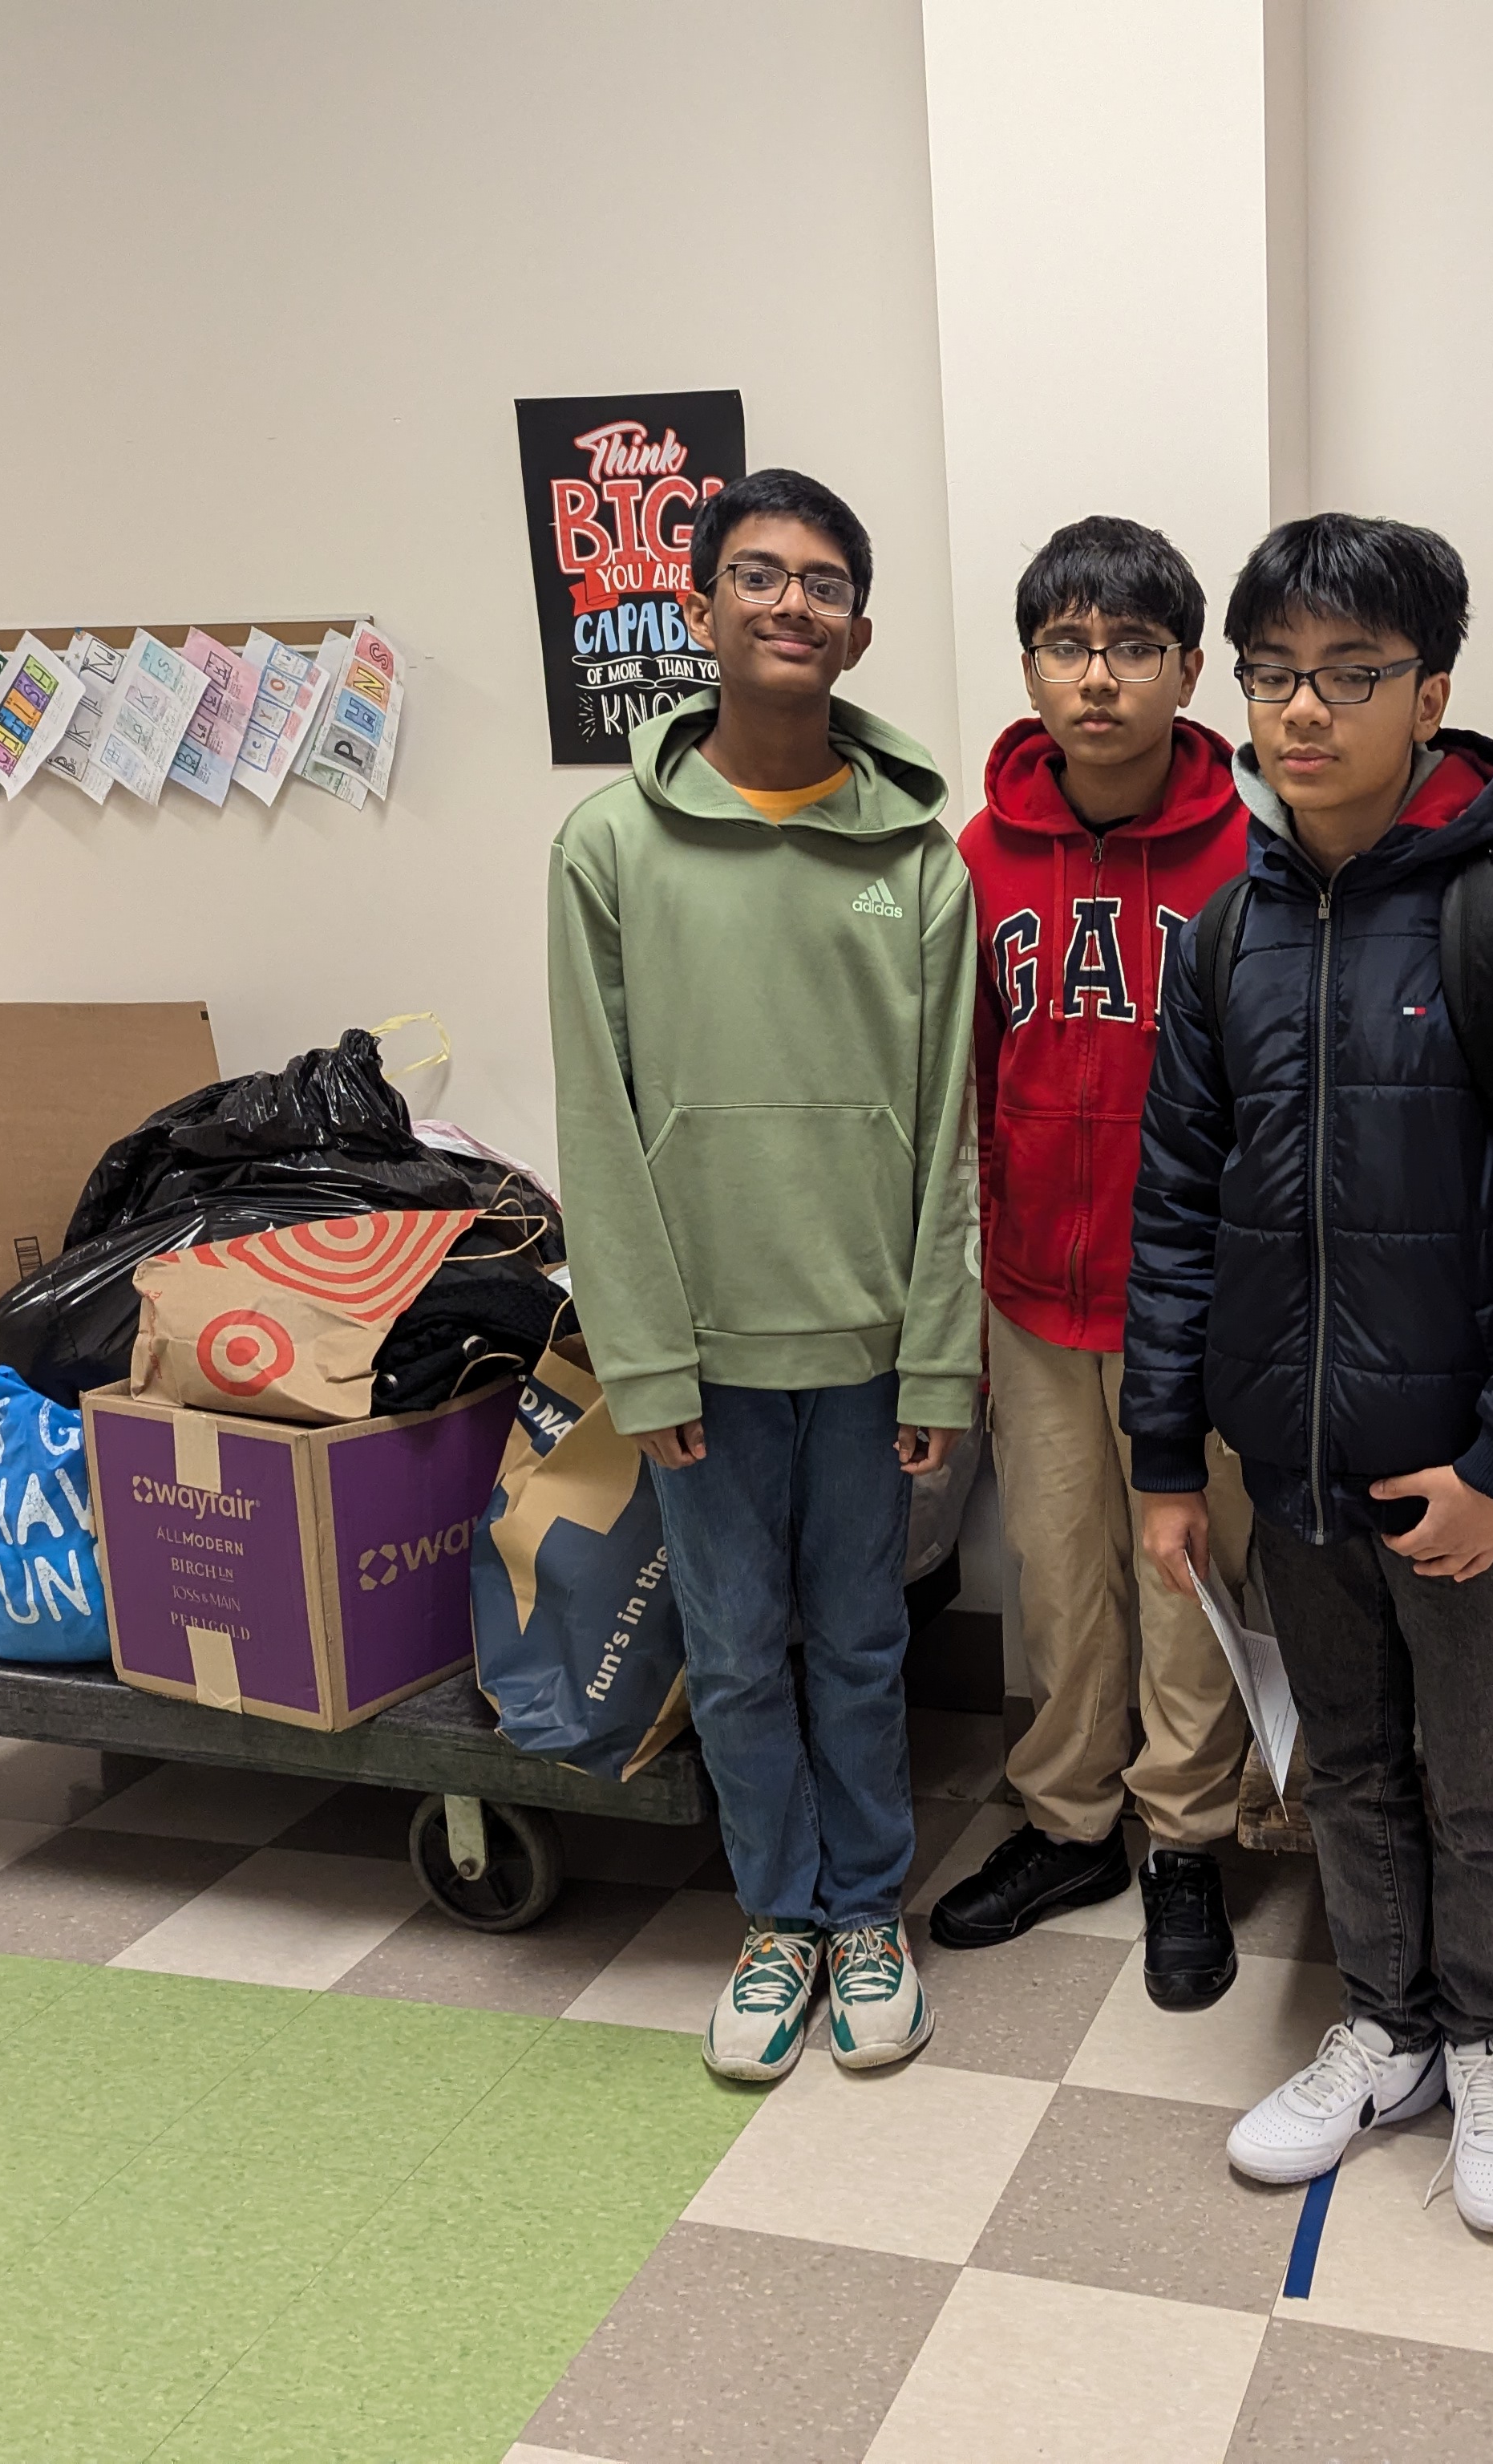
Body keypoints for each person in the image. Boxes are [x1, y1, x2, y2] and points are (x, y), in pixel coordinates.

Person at [1123, 513, 1493, 2236]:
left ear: (1432, 694)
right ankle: (1386, 2024)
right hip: (1295, 1467)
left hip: (1469, 1482)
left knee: (1484, 1772)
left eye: (1351, 676)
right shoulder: (1228, 937)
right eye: (1275, 676)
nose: (1305, 713)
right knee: (1342, 1760)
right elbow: (1179, 1210)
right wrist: (1165, 1456)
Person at [548, 467, 976, 2085]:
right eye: (757, 575)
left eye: (821, 583)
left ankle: (869, 1917)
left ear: (857, 630)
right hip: (704, 1359)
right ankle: (777, 1924)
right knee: (733, 1653)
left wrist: (938, 1359)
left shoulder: (919, 862)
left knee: (864, 1645)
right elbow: (600, 1117)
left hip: (866, 1351)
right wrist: (644, 1365)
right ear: (698, 611)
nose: (790, 603)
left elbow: (947, 1141)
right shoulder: (608, 847)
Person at [932, 517, 1257, 2009]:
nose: (1101, 678)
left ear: (1189, 670)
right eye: (1070, 645)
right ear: (1030, 668)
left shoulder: (1257, 857)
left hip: (1205, 1301)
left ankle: (1188, 1839)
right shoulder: (981, 859)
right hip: (1035, 1300)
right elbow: (963, 1082)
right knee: (1060, 1582)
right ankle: (1071, 1823)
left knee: (1186, 1575)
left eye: (1135, 648)